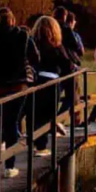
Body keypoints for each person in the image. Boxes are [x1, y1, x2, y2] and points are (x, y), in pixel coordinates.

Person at [0, 8, 39, 178]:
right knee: (11, 124)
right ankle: (9, 166)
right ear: (13, 20)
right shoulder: (23, 36)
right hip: (17, 87)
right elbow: (35, 57)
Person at [30, 16, 74, 156]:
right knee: (47, 115)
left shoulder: (33, 44)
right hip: (52, 83)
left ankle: (36, 143)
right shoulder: (57, 47)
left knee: (36, 115)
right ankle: (42, 147)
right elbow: (67, 65)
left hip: (36, 82)